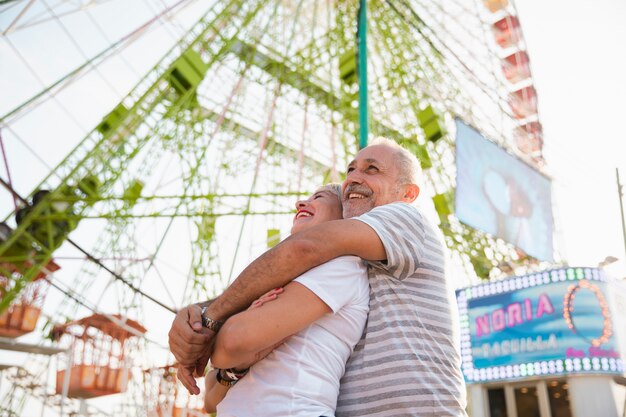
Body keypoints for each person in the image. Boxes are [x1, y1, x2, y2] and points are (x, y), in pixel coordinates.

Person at [169, 138, 467, 416]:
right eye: (350, 169)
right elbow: (212, 395)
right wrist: (202, 315)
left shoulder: (404, 219)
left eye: (372, 169)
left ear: (408, 194)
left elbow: (306, 247)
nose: (353, 177)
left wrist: (208, 319)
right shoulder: (358, 261)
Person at [203, 184, 369, 416]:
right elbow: (211, 399)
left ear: (342, 217)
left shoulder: (343, 268)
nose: (300, 203)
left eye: (319, 197)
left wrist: (235, 332)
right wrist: (236, 368)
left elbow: (232, 342)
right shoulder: (277, 282)